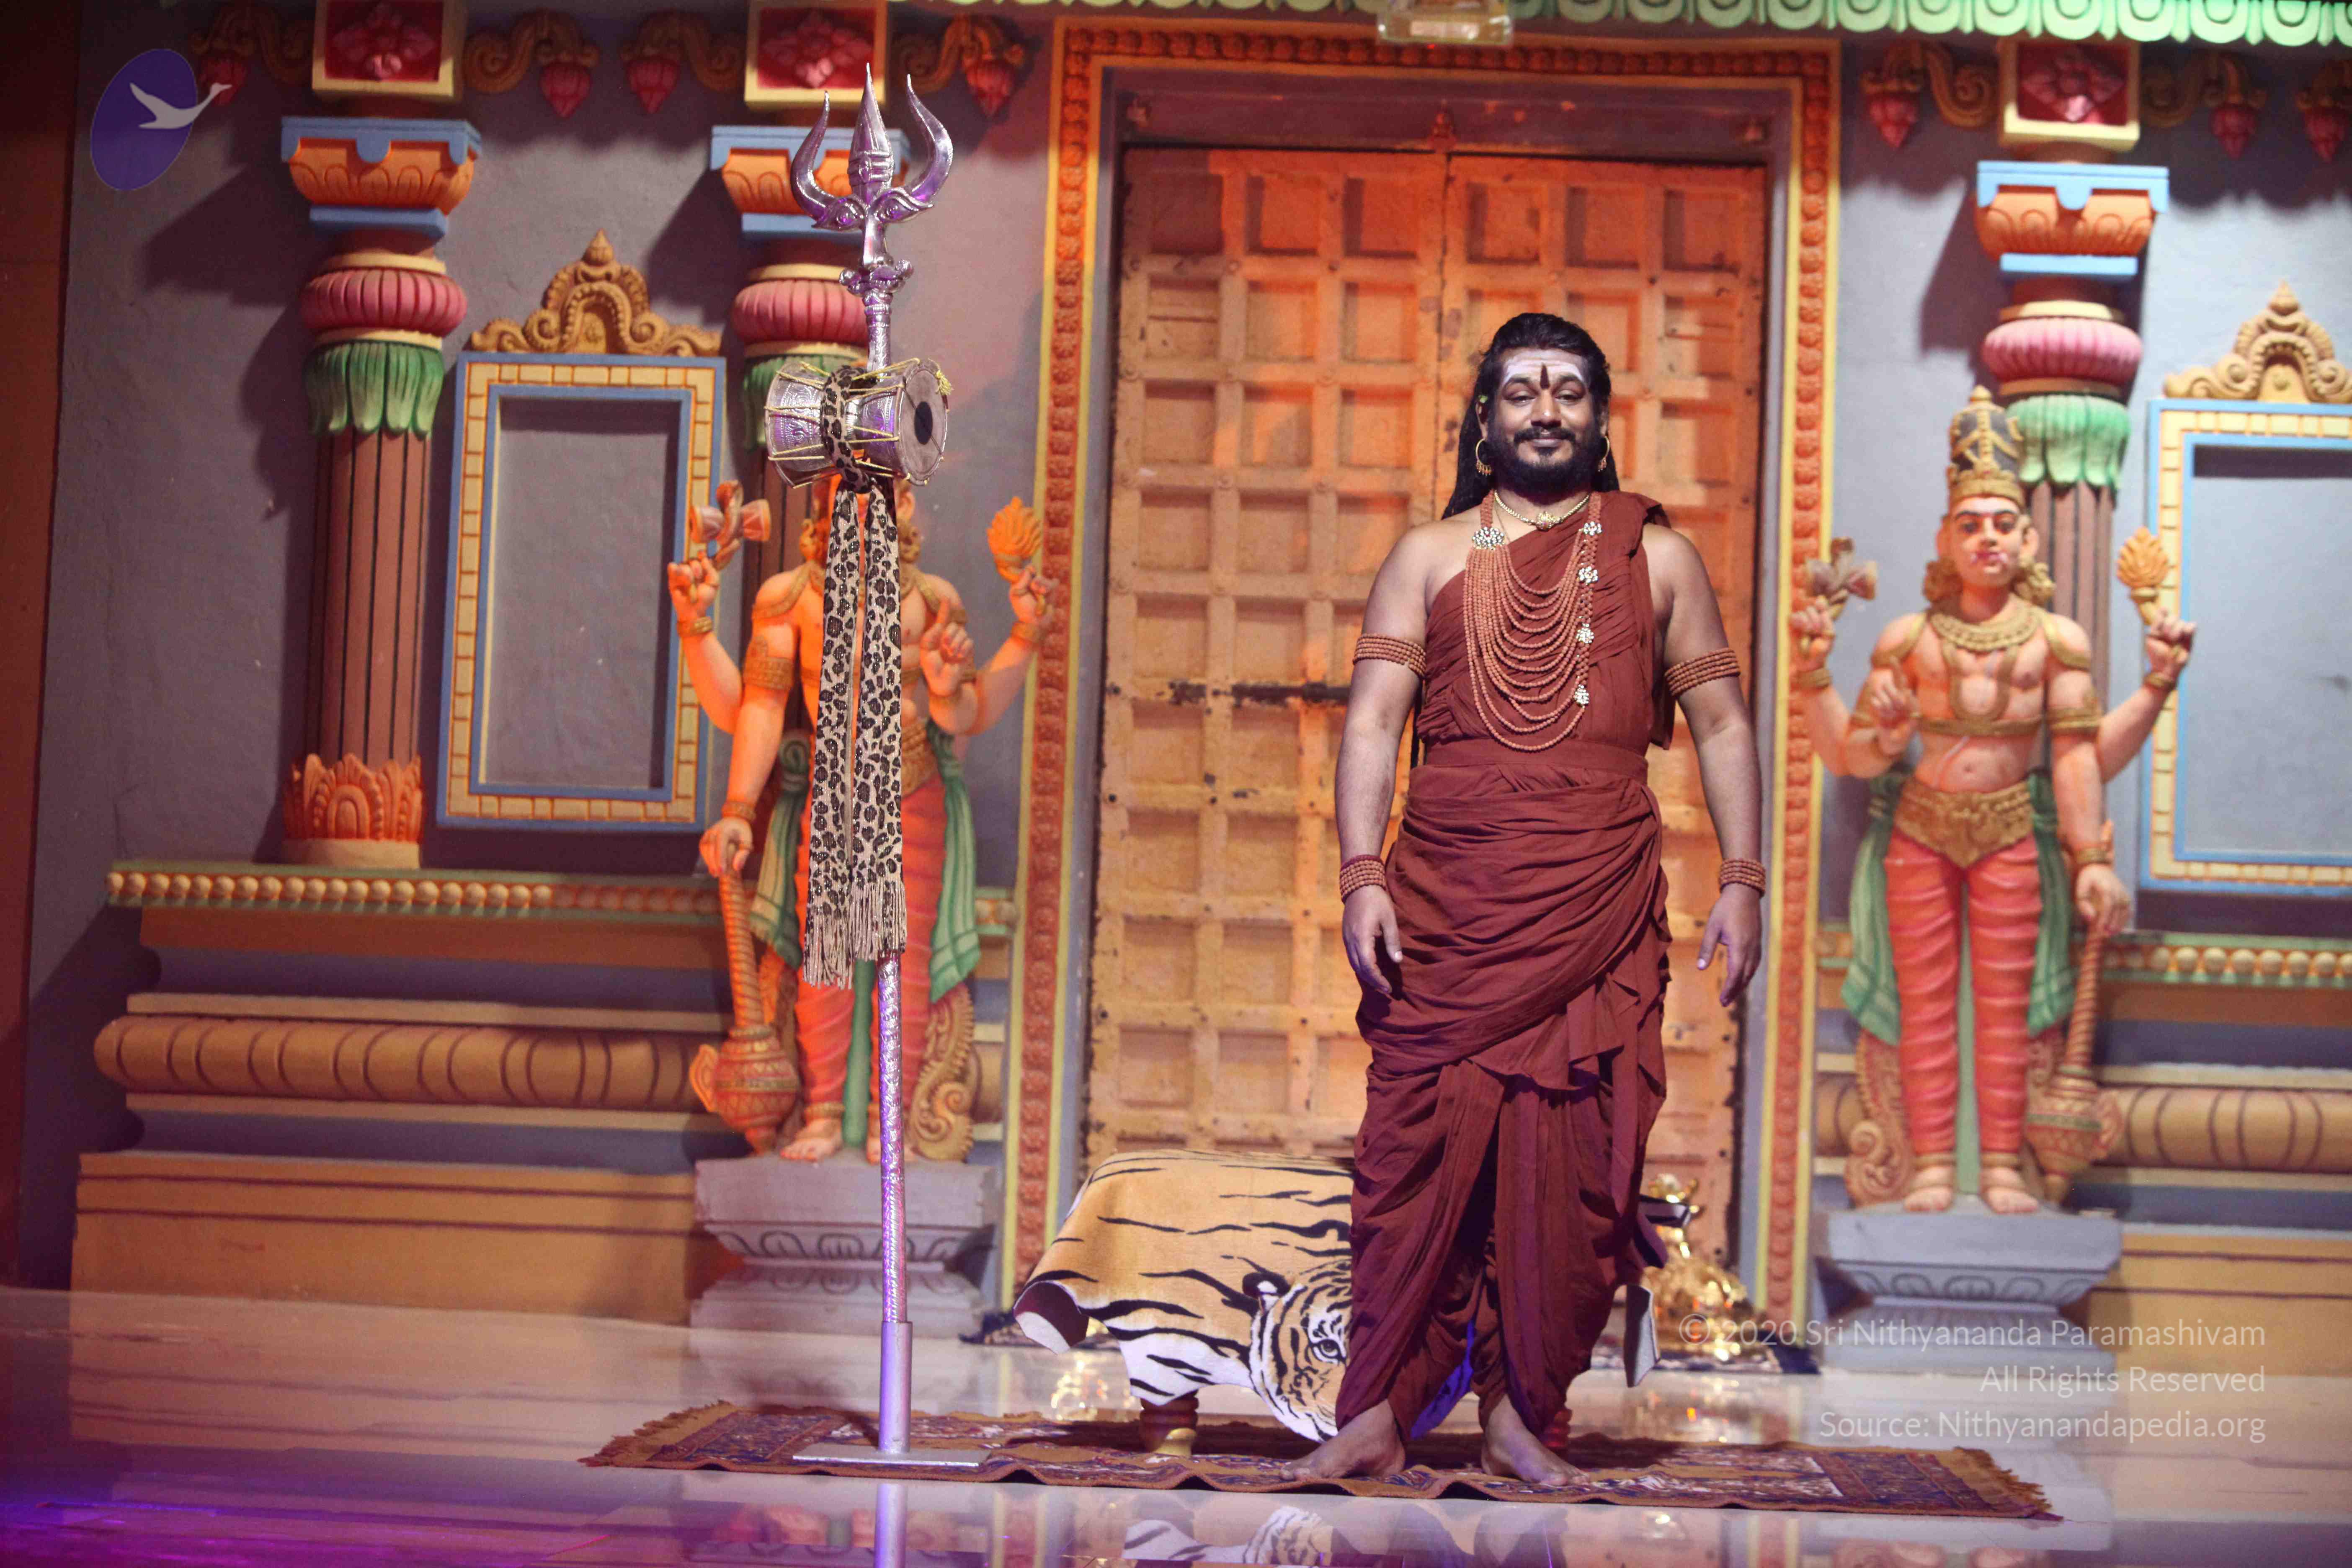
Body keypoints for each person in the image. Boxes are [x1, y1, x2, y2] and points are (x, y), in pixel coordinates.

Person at [1290, 313, 1765, 1485]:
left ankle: (1522, 1416)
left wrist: (1744, 878)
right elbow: (1373, 726)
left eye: (1567, 391)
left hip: (1594, 902)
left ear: (1600, 417)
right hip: (1447, 904)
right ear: (1485, 421)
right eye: (1521, 392)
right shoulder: (1426, 556)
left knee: (1573, 1175)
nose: (1545, 410)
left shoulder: (1660, 558)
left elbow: (1720, 723)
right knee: (1411, 1161)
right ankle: (1378, 1412)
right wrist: (1360, 875)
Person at [1788, 388, 2193, 1213]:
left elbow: (2078, 759)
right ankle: (1934, 1163)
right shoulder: (1909, 640)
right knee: (1925, 1005)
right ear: (1945, 539)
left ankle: (2002, 1164)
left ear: (2028, 540)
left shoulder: (2055, 642)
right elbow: (1852, 758)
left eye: (2004, 524)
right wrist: (1818, 678)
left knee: (2007, 1011)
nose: (1988, 539)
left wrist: (2091, 857)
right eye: (1970, 524)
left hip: (2012, 833)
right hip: (1922, 831)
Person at [670, 478, 1055, 1162]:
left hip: (911, 788)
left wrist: (1014, 642)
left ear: (903, 505)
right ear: (824, 503)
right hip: (832, 789)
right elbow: (757, 708)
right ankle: (823, 1113)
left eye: (879, 494)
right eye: (846, 492)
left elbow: (964, 716)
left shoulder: (932, 599)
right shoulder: (791, 597)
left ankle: (888, 1120)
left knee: (900, 962)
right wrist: (737, 810)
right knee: (826, 959)